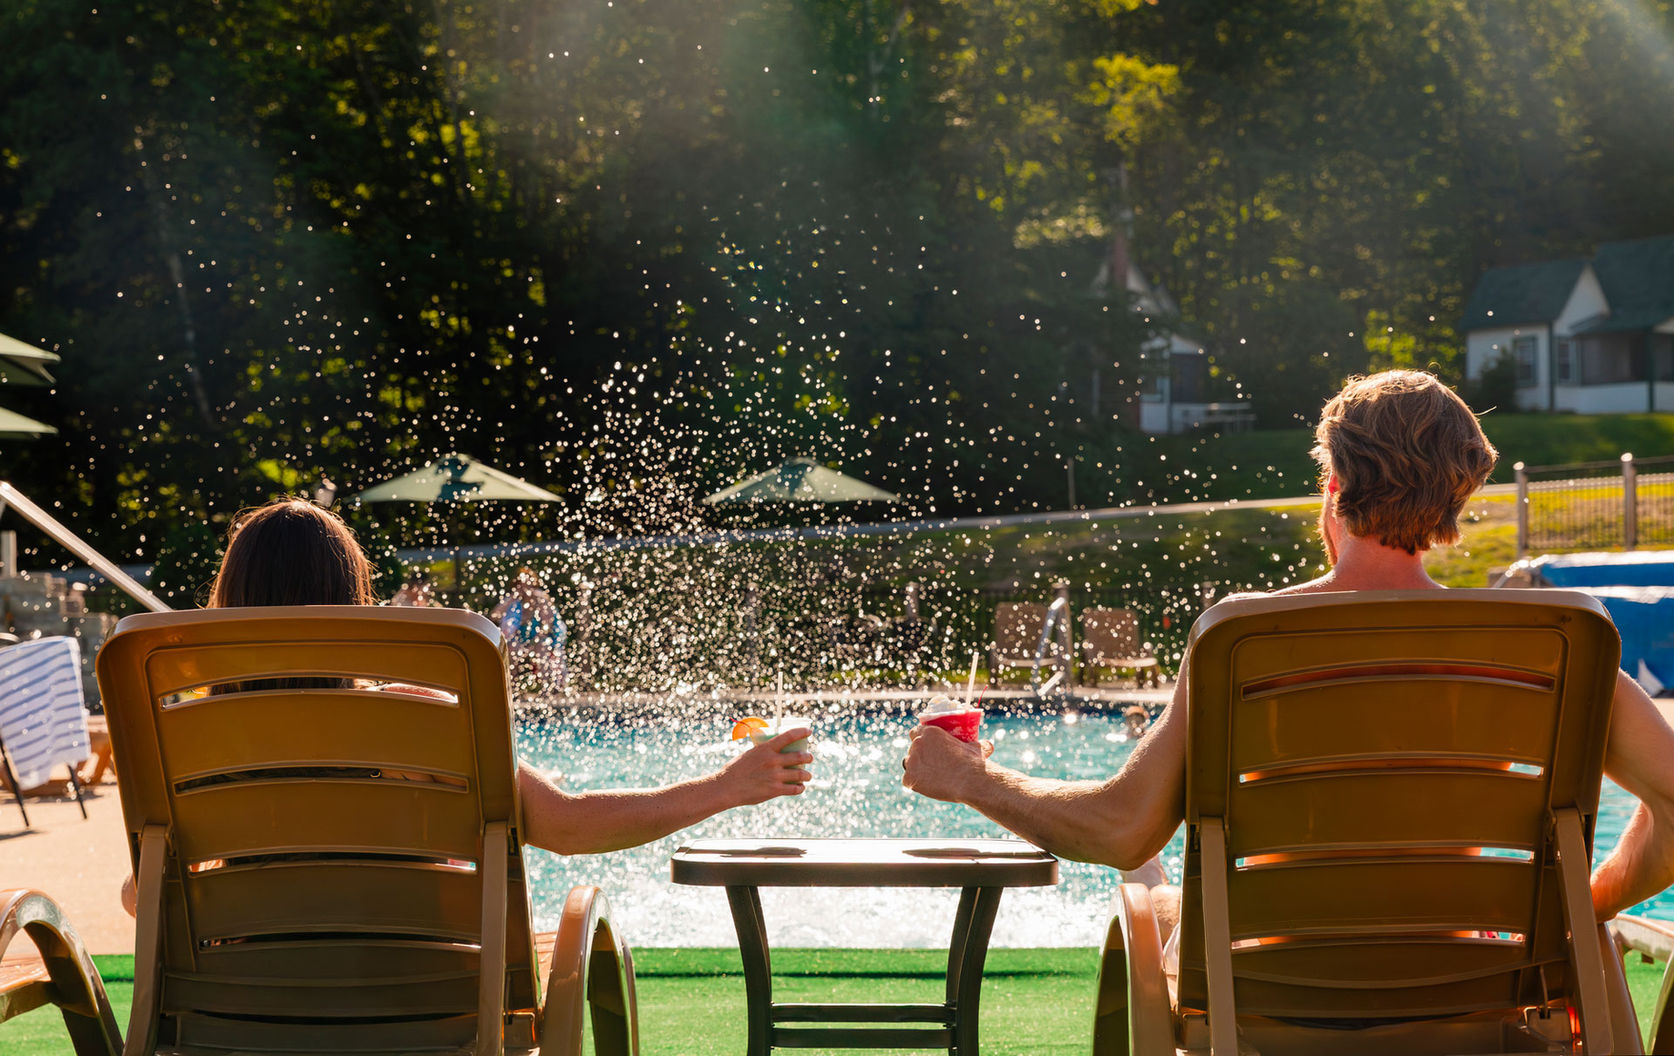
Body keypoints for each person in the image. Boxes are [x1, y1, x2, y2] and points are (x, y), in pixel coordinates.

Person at [903, 369, 1674, 941]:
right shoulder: (1557, 643)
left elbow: (1118, 830)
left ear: (1332, 488)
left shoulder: (1244, 638)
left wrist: (972, 776)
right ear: (1460, 498)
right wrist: (1575, 905)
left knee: (1147, 892)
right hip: (1476, 982)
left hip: (1270, 990)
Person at [121, 499, 810, 912]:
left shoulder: (184, 739)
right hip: (418, 1010)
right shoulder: (422, 719)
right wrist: (725, 788)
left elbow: (140, 893)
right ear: (353, 600)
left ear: (228, 600)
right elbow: (567, 828)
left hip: (239, 1015)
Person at [491, 566, 568, 693]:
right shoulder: (515, 602)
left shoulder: (541, 599)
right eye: (521, 585)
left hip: (542, 639)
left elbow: (547, 626)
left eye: (528, 584)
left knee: (541, 644)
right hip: (522, 640)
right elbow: (494, 615)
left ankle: (546, 688)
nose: (526, 589)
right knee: (511, 648)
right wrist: (511, 599)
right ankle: (512, 687)